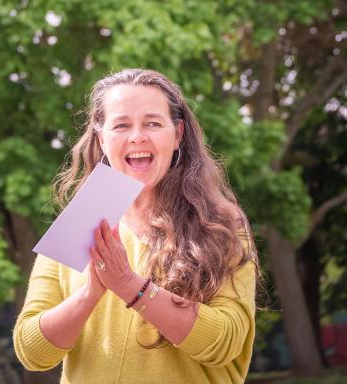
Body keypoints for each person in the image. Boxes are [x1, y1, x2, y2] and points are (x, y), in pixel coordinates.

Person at [13, 68, 259, 384]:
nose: (138, 136)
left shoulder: (220, 223)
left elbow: (226, 343)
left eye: (153, 123)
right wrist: (90, 293)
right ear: (101, 138)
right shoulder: (80, 219)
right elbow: (32, 352)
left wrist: (130, 286)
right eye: (121, 125)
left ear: (178, 134)